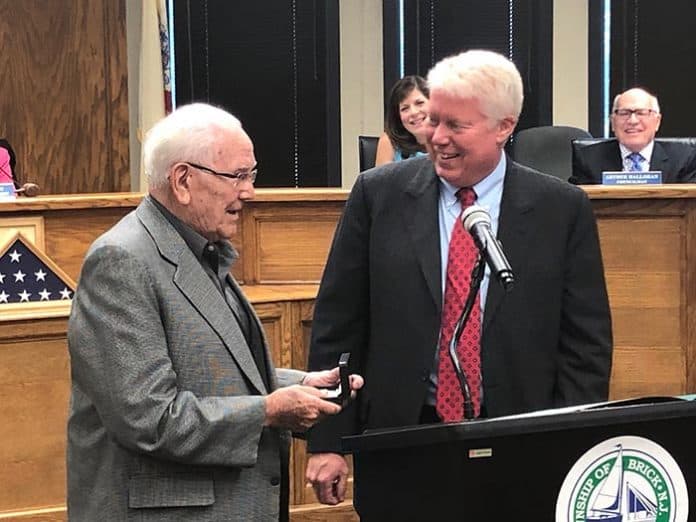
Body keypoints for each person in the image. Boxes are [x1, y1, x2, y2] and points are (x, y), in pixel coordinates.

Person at [305, 50, 612, 511]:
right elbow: (338, 321)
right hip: (402, 440)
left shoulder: (562, 209)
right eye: (433, 120)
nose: (437, 138)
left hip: (523, 443)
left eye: (456, 126)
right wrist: (326, 439)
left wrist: (571, 440)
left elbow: (585, 344)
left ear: (504, 126)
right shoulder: (378, 194)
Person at [66, 103, 362, 521]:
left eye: (251, 176)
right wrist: (270, 410)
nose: (249, 192)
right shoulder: (122, 262)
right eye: (237, 176)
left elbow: (208, 372)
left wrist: (305, 384)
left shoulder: (201, 250)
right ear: (183, 180)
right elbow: (149, 418)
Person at [570, 87, 696, 184]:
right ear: (613, 122)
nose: (633, 121)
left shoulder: (684, 159)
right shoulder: (588, 159)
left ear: (657, 121)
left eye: (641, 113)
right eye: (624, 113)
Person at [374, 75, 430, 166]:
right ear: (398, 116)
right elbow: (381, 180)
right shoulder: (389, 142)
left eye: (419, 103)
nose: (414, 112)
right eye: (405, 108)